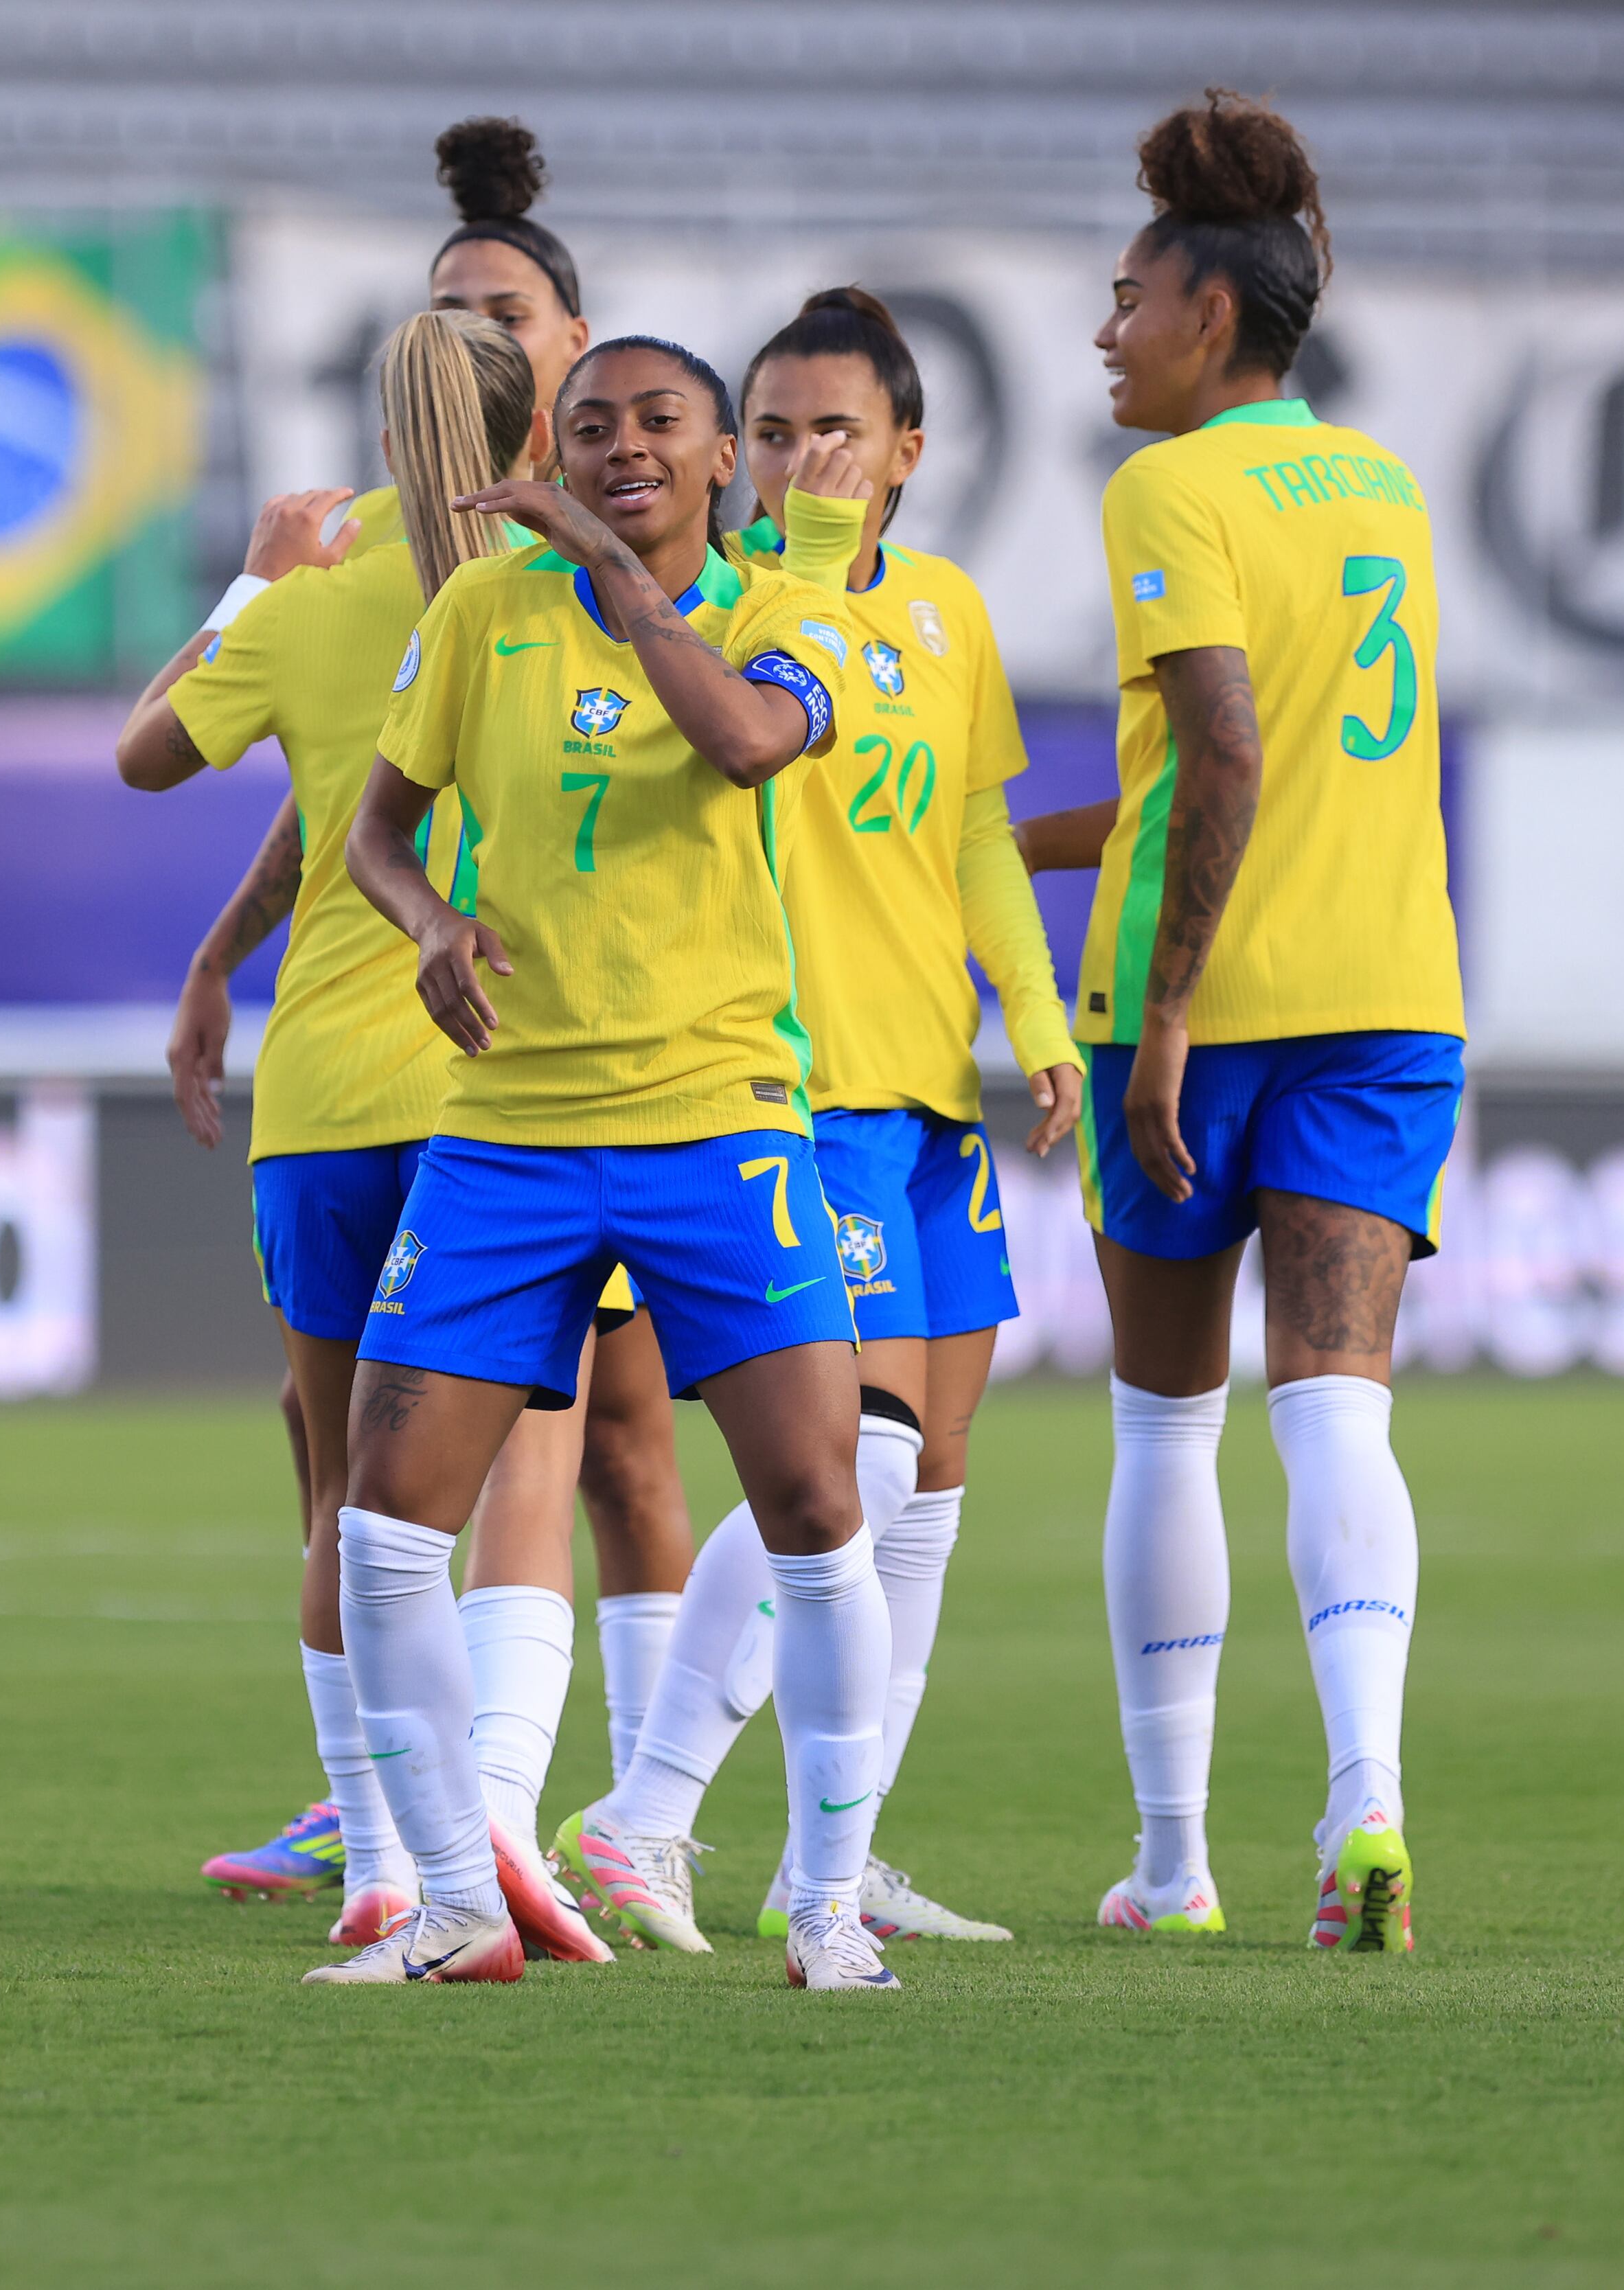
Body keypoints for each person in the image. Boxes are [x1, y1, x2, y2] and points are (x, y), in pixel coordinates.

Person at [157, 117, 695, 1939]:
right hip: (524, 1079)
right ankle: (484, 1827)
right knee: (516, 1464)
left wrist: (252, 575)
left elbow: (188, 760)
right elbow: (351, 814)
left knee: (368, 1486)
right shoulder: (588, 586)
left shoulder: (327, 582)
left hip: (359, 1080)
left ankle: (414, 1848)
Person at [316, 336, 898, 1991]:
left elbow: (742, 745)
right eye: (590, 428)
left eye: (657, 424)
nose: (622, 445)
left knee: (812, 1504)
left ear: (725, 458)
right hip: (506, 1133)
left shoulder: (791, 611)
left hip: (717, 1120)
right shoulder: (479, 616)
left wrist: (611, 577)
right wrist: (429, 921)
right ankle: (447, 1905)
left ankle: (829, 1909)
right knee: (383, 1527)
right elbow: (373, 828)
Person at [571, 289, 1083, 1951]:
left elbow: (977, 829)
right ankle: (643, 1813)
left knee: (924, 1492)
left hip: (929, 1094)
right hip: (796, 1090)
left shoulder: (944, 614)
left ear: (906, 450)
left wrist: (1033, 1011)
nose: (802, 460)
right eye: (775, 431)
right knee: (839, 1473)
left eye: (834, 432)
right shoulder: (720, 611)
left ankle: (839, 1857)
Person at [1073, 93, 1462, 1952]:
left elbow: (1222, 745)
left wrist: (1158, 1024)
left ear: (1213, 320)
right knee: (1338, 1414)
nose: (1107, 327)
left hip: (1209, 1010)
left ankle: (1175, 1861)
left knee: (1167, 1429)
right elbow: (1240, 759)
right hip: (1392, 997)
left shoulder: (1171, 489)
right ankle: (1367, 1803)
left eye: (1131, 292)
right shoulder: (1377, 480)